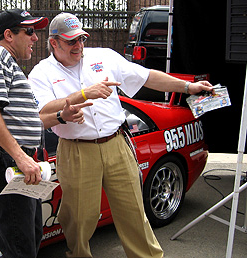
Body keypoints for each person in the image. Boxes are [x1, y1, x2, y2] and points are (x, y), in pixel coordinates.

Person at [28, 12, 214, 258]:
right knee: (80, 218)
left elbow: (147, 76)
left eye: (81, 39)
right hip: (76, 149)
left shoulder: (103, 56)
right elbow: (42, 110)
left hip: (117, 143)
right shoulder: (41, 73)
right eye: (71, 41)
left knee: (134, 211)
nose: (79, 46)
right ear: (54, 42)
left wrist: (188, 87)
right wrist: (84, 95)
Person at [0, 9, 90, 258]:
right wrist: (21, 158)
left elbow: (24, 121)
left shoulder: (7, 63)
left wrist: (60, 117)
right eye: (30, 31)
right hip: (8, 162)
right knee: (19, 246)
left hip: (17, 162)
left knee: (27, 240)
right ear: (9, 35)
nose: (36, 38)